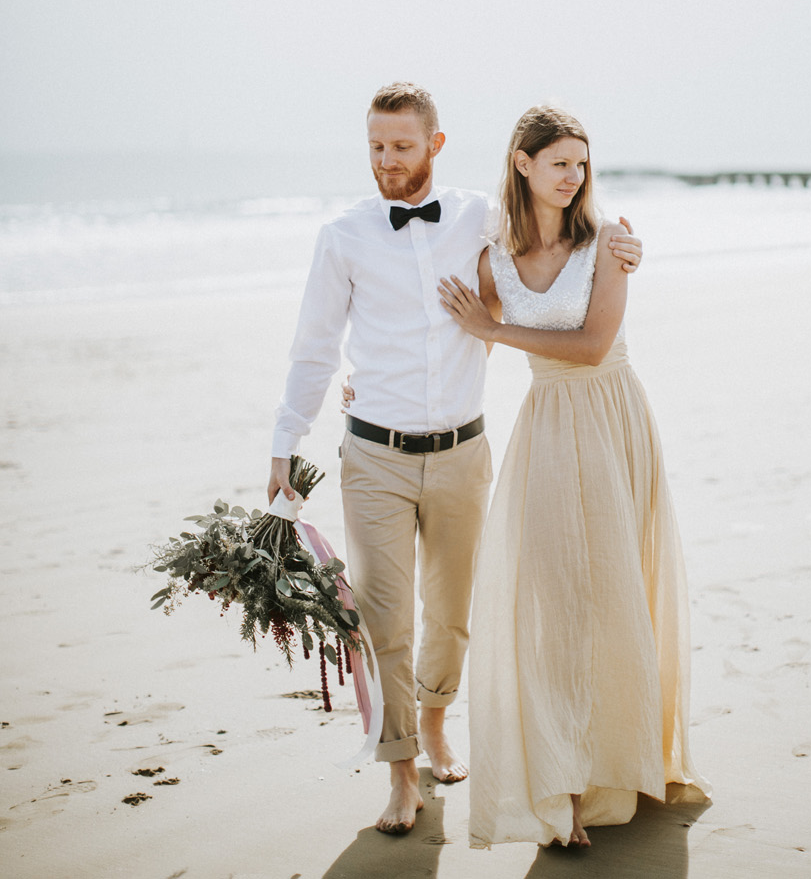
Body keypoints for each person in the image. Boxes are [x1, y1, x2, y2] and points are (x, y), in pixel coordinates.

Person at [268, 83, 643, 835]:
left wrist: (622, 242)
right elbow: (314, 347)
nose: (386, 161)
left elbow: (555, 227)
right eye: (375, 146)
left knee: (450, 614)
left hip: (464, 451)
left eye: (401, 146)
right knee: (383, 616)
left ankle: (436, 720)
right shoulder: (341, 236)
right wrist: (284, 442)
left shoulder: (479, 217)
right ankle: (401, 773)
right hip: (373, 452)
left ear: (434, 146)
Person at [439, 104, 710, 848]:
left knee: (617, 592)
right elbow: (461, 347)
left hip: (612, 416)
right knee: (554, 603)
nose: (573, 176)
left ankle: (619, 769)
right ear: (522, 164)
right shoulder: (493, 258)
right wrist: (381, 387)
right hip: (547, 431)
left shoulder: (608, 245)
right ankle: (560, 785)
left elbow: (591, 346)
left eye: (581, 163)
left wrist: (491, 328)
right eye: (559, 161)